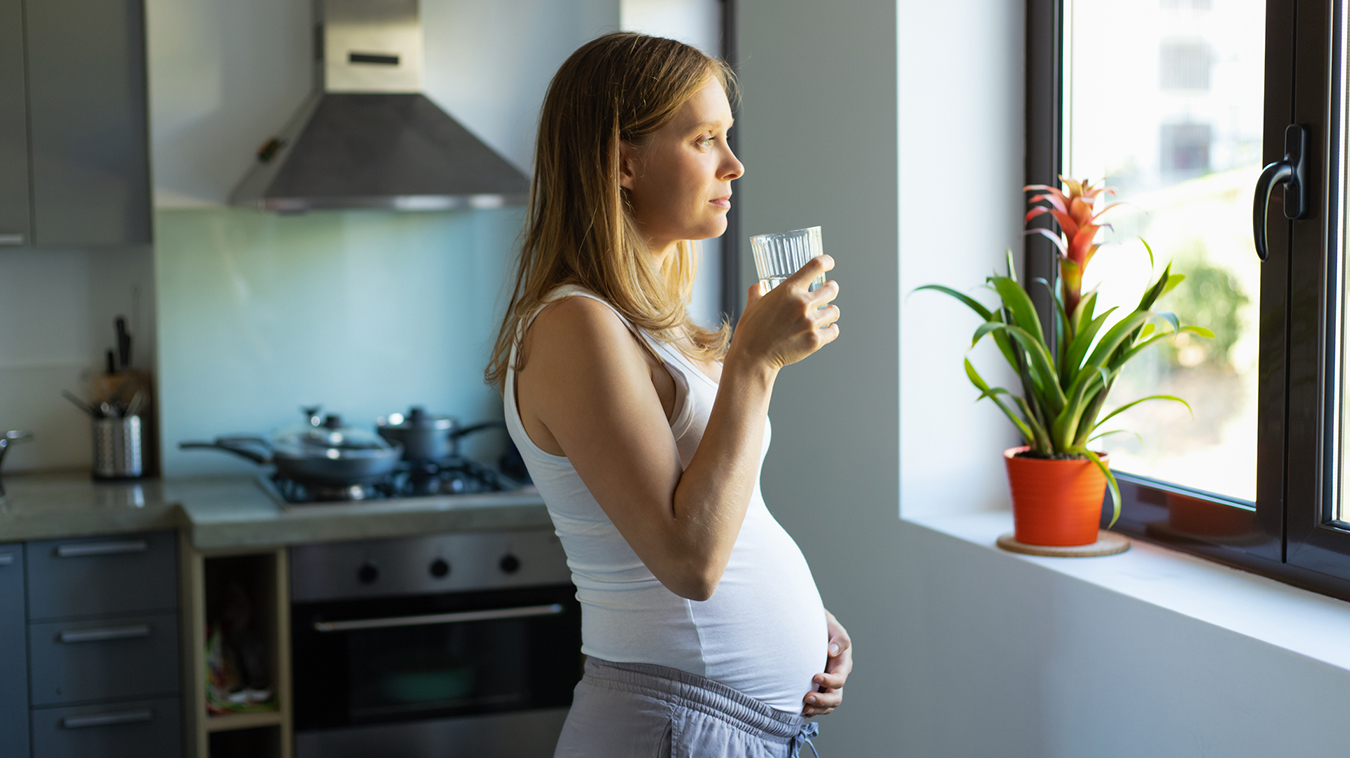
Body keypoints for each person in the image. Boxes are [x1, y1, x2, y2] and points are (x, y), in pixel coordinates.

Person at [486, 31, 852, 758]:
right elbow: (688, 561)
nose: (734, 165)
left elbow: (727, 512)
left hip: (734, 724)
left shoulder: (652, 324)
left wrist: (811, 620)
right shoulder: (574, 324)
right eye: (705, 139)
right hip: (672, 727)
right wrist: (754, 364)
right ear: (625, 161)